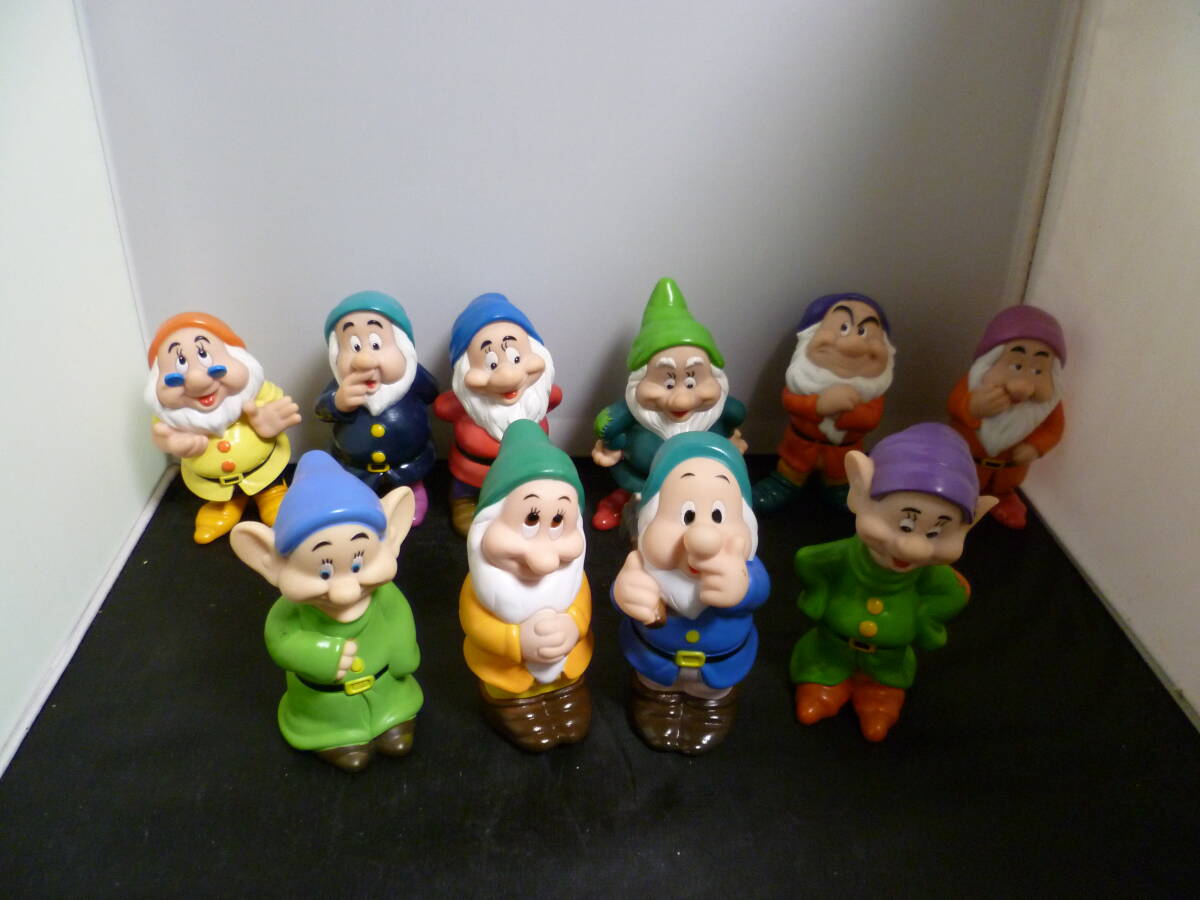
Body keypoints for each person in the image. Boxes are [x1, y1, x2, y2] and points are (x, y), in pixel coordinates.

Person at [144, 312, 300, 543]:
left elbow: (279, 405)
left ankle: (272, 495)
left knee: (276, 497)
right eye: (181, 363)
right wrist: (172, 443)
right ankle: (224, 506)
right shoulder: (170, 417)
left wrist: (269, 421)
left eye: (204, 355)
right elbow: (161, 435)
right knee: (220, 501)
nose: (197, 380)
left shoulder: (258, 392)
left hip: (265, 471)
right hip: (213, 486)